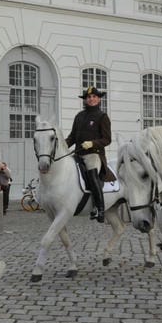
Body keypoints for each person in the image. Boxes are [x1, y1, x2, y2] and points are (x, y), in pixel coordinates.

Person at [65, 86, 115, 223]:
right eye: (88, 97)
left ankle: (100, 208)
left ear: (98, 99)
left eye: (94, 97)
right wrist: (62, 146)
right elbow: (72, 137)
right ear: (85, 100)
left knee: (92, 174)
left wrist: (92, 143)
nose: (91, 99)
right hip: (78, 154)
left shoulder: (102, 117)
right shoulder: (79, 116)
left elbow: (107, 139)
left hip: (93, 154)